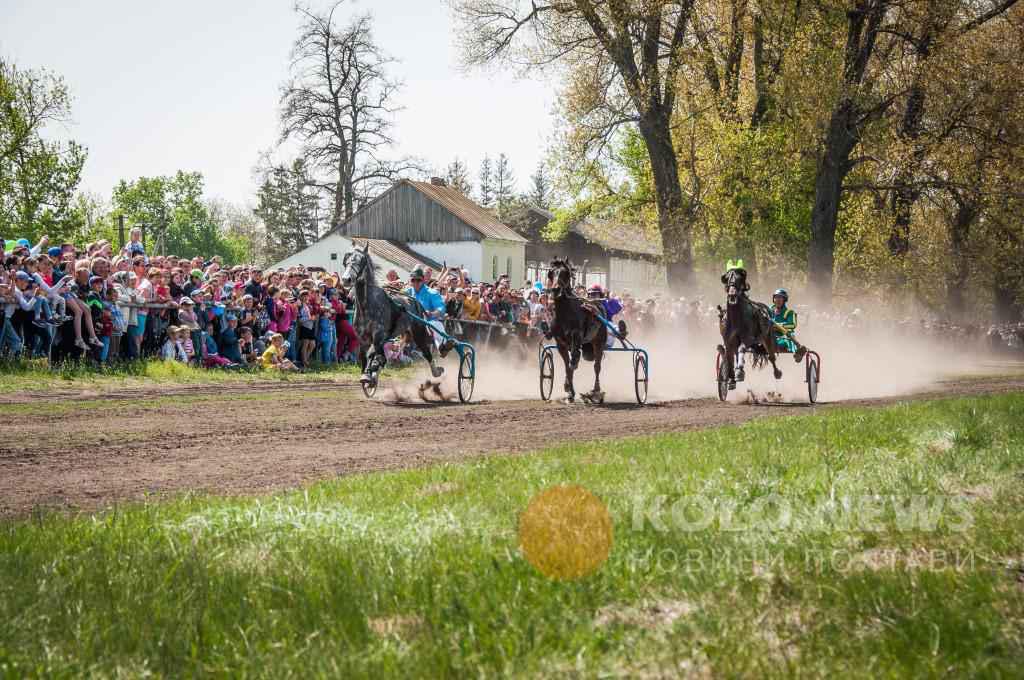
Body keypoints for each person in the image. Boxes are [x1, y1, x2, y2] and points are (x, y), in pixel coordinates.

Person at [405, 265, 455, 355]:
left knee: (436, 324)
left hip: (426, 323)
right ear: (410, 281)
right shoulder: (407, 292)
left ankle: (443, 347)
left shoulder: (432, 293)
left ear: (423, 280)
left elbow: (441, 308)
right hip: (409, 322)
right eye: (413, 280)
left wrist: (432, 313)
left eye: (418, 280)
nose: (416, 283)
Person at [770, 288, 806, 361]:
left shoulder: (790, 312)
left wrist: (778, 326)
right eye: (776, 297)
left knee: (789, 336)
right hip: (771, 334)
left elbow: (792, 325)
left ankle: (797, 352)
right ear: (773, 299)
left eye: (780, 298)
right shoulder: (769, 310)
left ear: (784, 300)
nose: (777, 300)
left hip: (784, 335)